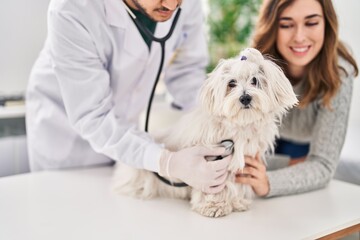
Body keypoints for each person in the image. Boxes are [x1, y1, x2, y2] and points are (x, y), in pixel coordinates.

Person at [26, 0, 231, 194]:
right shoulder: (73, 8)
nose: (171, 5)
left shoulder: (186, 4)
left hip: (126, 138)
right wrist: (166, 162)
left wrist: (218, 124)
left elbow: (186, 73)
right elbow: (93, 117)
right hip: (67, 144)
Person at [235, 0, 358, 197]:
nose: (299, 37)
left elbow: (323, 165)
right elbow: (238, 154)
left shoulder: (339, 72)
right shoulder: (254, 64)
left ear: (327, 23)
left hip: (306, 148)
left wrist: (268, 181)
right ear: (273, 26)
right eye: (286, 24)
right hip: (264, 143)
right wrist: (284, 164)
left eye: (311, 23)